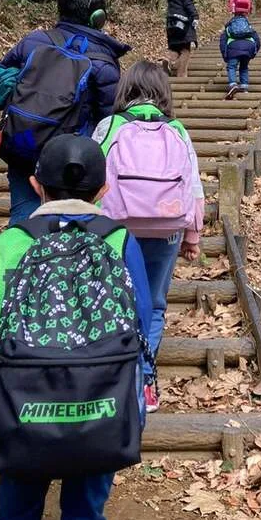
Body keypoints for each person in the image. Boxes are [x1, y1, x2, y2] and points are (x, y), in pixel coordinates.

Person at [0, 134, 152, 520]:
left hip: (21, 397)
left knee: (17, 509)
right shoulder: (119, 240)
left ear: (35, 185)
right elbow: (141, 324)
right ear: (103, 189)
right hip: (104, 397)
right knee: (85, 510)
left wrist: (23, 345)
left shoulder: (12, 241)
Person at [93, 61, 203, 413]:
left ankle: (110, 377)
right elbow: (194, 185)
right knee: (153, 303)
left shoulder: (109, 126)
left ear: (125, 90)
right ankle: (144, 381)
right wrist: (193, 235)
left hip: (115, 229)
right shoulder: (178, 130)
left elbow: (92, 178)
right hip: (166, 227)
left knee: (112, 297)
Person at [0, 0, 129, 224]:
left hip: (23, 142)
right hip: (73, 157)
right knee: (73, 220)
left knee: (23, 215)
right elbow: (108, 119)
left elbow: (3, 79)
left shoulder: (33, 42)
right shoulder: (103, 60)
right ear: (98, 15)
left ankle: (18, 257)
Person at [220, 4, 261, 98]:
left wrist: (224, 55)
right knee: (244, 67)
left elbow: (222, 42)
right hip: (248, 48)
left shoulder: (229, 27)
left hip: (233, 49)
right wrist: (254, 52)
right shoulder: (248, 27)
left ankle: (233, 84)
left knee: (231, 67)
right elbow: (257, 40)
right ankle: (244, 87)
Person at [163, 0, 198, 78]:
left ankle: (168, 60)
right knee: (185, 49)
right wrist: (195, 16)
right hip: (183, 22)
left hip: (171, 22)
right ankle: (181, 76)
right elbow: (188, 3)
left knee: (174, 47)